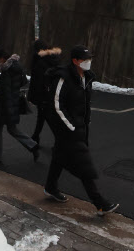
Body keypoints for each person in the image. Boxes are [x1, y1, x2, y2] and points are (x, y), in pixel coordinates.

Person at [43, 44, 119, 215]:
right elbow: (57, 105)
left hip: (79, 127)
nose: (88, 62)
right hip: (68, 129)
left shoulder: (87, 77)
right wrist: (71, 126)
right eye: (85, 59)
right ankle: (100, 203)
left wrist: (85, 122)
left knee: (59, 157)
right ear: (75, 60)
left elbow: (84, 104)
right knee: (84, 164)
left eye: (89, 59)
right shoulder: (63, 77)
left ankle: (50, 187)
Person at [0, 48, 40, 166]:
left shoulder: (7, 70)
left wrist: (6, 108)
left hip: (5, 105)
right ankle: (33, 146)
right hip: (14, 102)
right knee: (12, 129)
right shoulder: (17, 66)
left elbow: (6, 91)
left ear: (2, 58)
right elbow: (23, 82)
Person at [28, 39, 62, 144]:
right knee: (42, 116)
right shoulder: (53, 59)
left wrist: (34, 96)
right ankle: (35, 136)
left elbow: (38, 81)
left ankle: (60, 140)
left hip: (43, 94)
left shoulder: (41, 62)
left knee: (46, 117)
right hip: (51, 93)